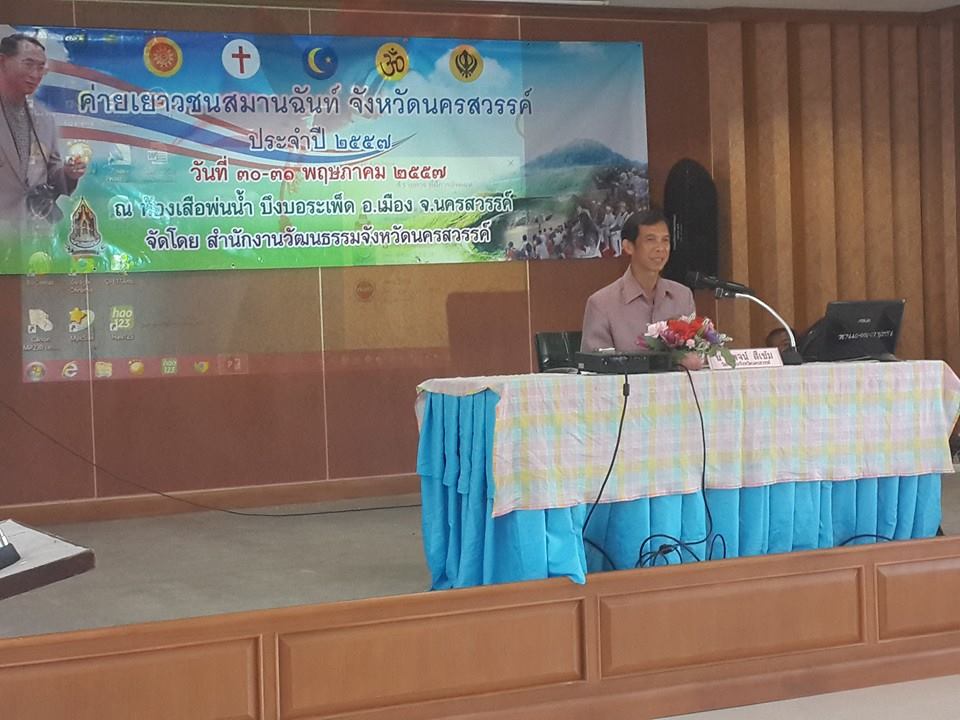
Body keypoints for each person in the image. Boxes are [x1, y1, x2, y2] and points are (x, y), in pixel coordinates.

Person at [0, 33, 86, 262]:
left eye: (41, 68)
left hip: (36, 237)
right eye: (28, 64)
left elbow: (52, 175)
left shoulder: (45, 119)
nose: (35, 74)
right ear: (2, 61)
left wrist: (68, 172)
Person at [580, 207, 695, 352]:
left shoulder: (683, 296)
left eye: (665, 240)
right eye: (650, 240)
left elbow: (693, 352)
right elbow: (596, 363)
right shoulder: (601, 304)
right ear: (628, 247)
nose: (660, 248)